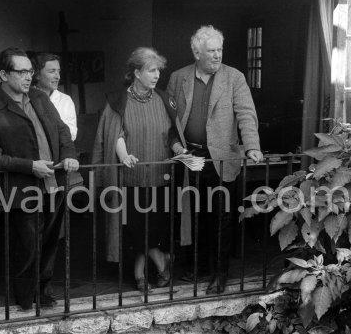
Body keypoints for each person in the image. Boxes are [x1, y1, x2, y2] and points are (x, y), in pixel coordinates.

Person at [0, 47, 79, 310]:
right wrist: (30, 166)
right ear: (3, 74)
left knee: (49, 242)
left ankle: (42, 290)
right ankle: (24, 297)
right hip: (23, 189)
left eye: (30, 71)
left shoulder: (39, 98)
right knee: (27, 245)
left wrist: (69, 155)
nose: (28, 77)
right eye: (21, 71)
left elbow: (62, 131)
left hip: (54, 183)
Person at [167, 25, 263, 294]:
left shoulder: (234, 78)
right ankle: (198, 268)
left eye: (220, 50)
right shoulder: (178, 78)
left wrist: (252, 146)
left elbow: (246, 114)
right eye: (212, 51)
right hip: (189, 157)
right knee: (193, 214)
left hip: (221, 159)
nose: (218, 55)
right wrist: (175, 146)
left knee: (221, 217)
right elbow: (170, 119)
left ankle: (219, 276)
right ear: (197, 52)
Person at [92, 47, 185, 291]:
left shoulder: (164, 99)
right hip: (130, 179)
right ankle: (161, 262)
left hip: (159, 177)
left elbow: (172, 134)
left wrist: (177, 149)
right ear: (136, 72)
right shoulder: (119, 100)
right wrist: (123, 155)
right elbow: (116, 135)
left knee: (152, 229)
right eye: (151, 70)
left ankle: (140, 274)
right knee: (135, 229)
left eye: (158, 71)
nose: (156, 76)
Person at [31, 52, 78, 141]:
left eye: (58, 71)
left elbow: (71, 134)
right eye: (52, 71)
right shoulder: (26, 98)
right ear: (37, 74)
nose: (58, 77)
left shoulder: (66, 100)